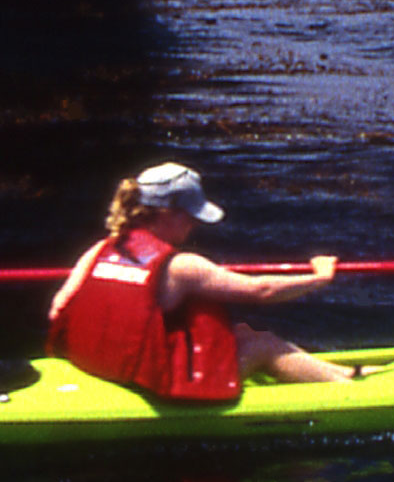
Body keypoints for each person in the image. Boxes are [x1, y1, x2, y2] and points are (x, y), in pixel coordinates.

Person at [44, 162, 356, 398]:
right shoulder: (183, 266)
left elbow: (59, 306)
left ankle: (346, 372)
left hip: (96, 364)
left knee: (242, 332)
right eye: (190, 215)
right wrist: (320, 278)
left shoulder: (103, 248)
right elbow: (261, 290)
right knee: (263, 344)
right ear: (166, 212)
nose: (194, 224)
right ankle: (350, 393)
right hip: (150, 380)